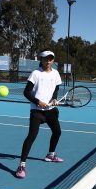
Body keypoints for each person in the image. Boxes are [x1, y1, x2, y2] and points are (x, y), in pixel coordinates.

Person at [15, 50, 64, 179]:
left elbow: (56, 88)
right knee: (31, 136)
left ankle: (50, 155)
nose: (48, 61)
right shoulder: (36, 74)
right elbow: (26, 92)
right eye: (45, 58)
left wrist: (54, 99)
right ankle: (21, 165)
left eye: (50, 59)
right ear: (41, 60)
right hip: (37, 112)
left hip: (51, 110)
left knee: (57, 132)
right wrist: (38, 102)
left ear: (53, 60)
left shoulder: (55, 73)